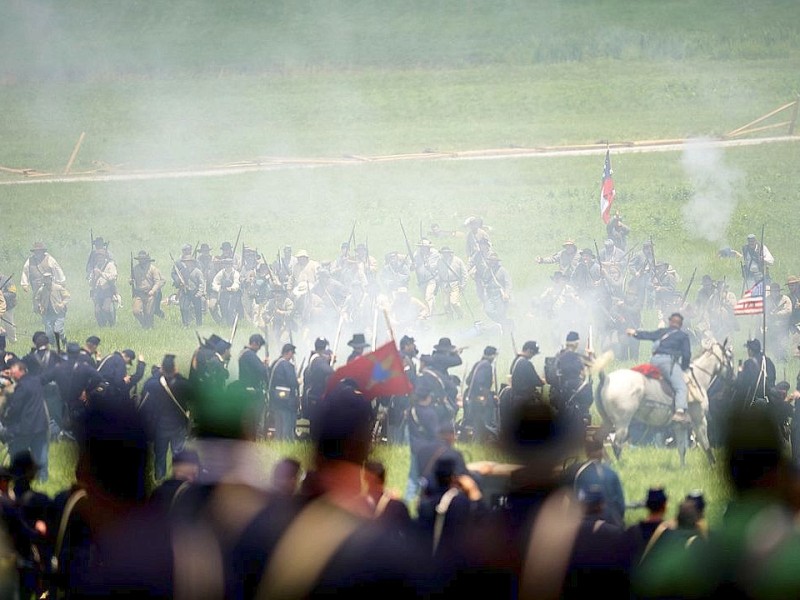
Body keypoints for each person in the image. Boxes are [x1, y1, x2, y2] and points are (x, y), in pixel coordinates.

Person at [627, 312, 691, 421]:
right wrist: (684, 368)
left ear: (670, 322)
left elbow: (648, 335)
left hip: (654, 361)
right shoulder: (683, 336)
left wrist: (635, 333)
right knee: (681, 387)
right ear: (680, 325)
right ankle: (679, 412)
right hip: (667, 363)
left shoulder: (662, 332)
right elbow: (686, 355)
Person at [139, 354, 191, 481]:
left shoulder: (152, 384)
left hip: (159, 426)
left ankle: (159, 480)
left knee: (160, 456)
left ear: (162, 368)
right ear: (174, 368)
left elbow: (144, 404)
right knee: (178, 454)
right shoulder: (183, 384)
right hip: (178, 425)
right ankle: (177, 481)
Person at [0, 358, 49, 481]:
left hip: (26, 428)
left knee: (18, 453)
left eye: (13, 370)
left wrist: (6, 418)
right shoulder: (35, 381)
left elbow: (15, 407)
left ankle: (19, 478)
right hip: (41, 425)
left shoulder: (22, 386)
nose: (11, 372)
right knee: (41, 455)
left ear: (21, 370)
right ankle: (43, 479)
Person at [568, 437, 625, 528]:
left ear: (587, 453)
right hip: (611, 524)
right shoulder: (611, 473)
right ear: (602, 452)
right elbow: (621, 505)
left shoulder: (577, 472)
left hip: (583, 525)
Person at [552, 331, 594, 424]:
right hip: (575, 393)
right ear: (576, 343)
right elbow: (593, 365)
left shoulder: (558, 356)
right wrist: (591, 355)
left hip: (559, 394)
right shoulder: (577, 357)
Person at [238, 333, 270, 439]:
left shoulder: (245, 353)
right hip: (253, 392)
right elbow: (261, 371)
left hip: (246, 391)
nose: (259, 348)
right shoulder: (249, 354)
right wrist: (265, 366)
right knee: (256, 421)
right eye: (259, 345)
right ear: (255, 343)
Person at [464, 346, 498, 442]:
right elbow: (480, 382)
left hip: (475, 399)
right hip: (481, 400)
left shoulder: (478, 364)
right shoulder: (487, 365)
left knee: (477, 423)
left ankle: (477, 441)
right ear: (492, 355)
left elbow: (468, 381)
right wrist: (484, 396)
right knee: (486, 422)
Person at [302, 338, 334, 440]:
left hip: (315, 395)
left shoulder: (316, 359)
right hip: (315, 396)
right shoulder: (317, 360)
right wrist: (329, 361)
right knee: (317, 424)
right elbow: (329, 371)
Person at [20, 242, 66, 310]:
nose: (37, 252)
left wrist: (61, 281)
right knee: (37, 301)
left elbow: (57, 270)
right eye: (36, 251)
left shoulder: (50, 259)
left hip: (49, 284)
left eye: (39, 251)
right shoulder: (30, 260)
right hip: (36, 285)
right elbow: (25, 271)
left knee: (49, 300)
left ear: (42, 251)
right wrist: (25, 284)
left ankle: (50, 314)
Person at [734, 338, 776, 411]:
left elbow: (741, 385)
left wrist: (740, 371)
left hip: (752, 402)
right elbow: (772, 380)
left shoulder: (748, 363)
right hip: (769, 400)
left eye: (748, 349)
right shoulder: (769, 362)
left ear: (751, 351)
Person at [269, 343, 299, 441]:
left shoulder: (275, 363)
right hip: (287, 401)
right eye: (292, 353)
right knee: (287, 425)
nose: (292, 356)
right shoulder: (287, 365)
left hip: (276, 399)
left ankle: (278, 444)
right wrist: (298, 381)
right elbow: (292, 382)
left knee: (278, 425)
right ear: (289, 352)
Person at [172, 245, 206, 327]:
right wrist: (179, 282)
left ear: (192, 262)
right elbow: (176, 277)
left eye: (189, 261)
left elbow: (202, 283)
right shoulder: (182, 271)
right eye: (186, 261)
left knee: (198, 309)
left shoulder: (197, 271)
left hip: (195, 292)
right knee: (183, 308)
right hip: (185, 292)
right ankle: (185, 324)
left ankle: (199, 324)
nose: (188, 263)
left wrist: (199, 293)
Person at [131, 250, 165, 329]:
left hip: (150, 293)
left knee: (149, 313)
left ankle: (149, 327)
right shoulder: (135, 268)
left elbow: (157, 282)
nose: (141, 260)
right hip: (139, 293)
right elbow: (132, 278)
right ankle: (144, 324)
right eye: (140, 259)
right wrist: (131, 281)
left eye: (143, 259)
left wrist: (153, 291)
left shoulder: (153, 269)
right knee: (136, 311)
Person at [33, 272, 70, 344]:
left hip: (59, 313)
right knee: (49, 332)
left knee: (58, 330)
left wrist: (62, 304)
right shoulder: (41, 290)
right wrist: (40, 306)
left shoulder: (58, 288)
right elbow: (37, 299)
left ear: (51, 279)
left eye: (48, 279)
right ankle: (53, 346)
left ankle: (63, 339)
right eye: (45, 279)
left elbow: (67, 296)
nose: (47, 281)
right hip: (47, 313)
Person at [88, 246, 118, 327]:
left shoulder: (110, 265)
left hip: (107, 290)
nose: (99, 258)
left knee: (106, 309)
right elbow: (90, 281)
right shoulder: (95, 267)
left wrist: (101, 273)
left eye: (100, 256)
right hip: (98, 291)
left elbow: (113, 277)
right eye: (97, 257)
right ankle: (102, 326)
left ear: (104, 256)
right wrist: (93, 279)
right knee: (97, 311)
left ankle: (112, 323)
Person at [437, 247, 467, 319]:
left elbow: (464, 274)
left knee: (454, 302)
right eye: (443, 253)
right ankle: (450, 319)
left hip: (455, 284)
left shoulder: (458, 260)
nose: (445, 254)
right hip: (444, 285)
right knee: (446, 304)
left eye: (446, 252)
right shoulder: (440, 261)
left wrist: (463, 285)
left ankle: (461, 315)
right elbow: (438, 273)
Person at [766, 281, 792, 360]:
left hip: (783, 326)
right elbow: (764, 311)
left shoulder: (785, 299)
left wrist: (776, 314)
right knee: (773, 344)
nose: (774, 293)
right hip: (771, 326)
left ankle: (784, 359)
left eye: (776, 291)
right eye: (773, 291)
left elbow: (788, 311)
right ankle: (776, 358)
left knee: (782, 343)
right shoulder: (767, 299)